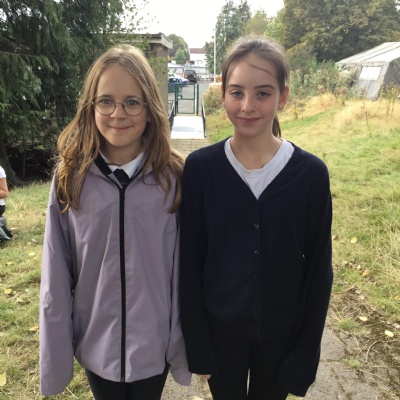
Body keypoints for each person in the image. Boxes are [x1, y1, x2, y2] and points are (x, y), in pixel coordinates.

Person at [179, 36, 333, 400]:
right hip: (220, 335)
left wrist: (306, 353)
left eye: (263, 93)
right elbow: (189, 262)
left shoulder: (310, 174)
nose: (248, 106)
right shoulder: (200, 169)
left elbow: (318, 270)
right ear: (223, 96)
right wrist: (196, 343)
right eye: (237, 93)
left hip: (283, 337)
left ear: (283, 97)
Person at [39, 44, 191, 399]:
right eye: (106, 101)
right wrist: (55, 359)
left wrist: (184, 346)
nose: (118, 113)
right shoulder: (70, 178)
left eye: (132, 102)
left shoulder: (175, 177)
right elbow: (55, 277)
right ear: (91, 106)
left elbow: (186, 270)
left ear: (150, 109)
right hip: (97, 346)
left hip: (155, 347)